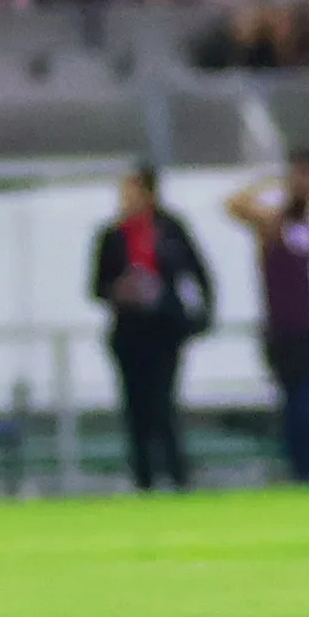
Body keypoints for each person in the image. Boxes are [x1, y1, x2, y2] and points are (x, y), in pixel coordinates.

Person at [226, 150, 309, 483]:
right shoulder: (274, 223)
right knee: (301, 409)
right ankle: (304, 473)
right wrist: (270, 181)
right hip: (288, 333)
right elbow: (234, 204)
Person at [92, 165, 214, 490]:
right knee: (136, 408)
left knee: (163, 403)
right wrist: (120, 290)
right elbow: (97, 286)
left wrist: (202, 316)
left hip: (164, 329)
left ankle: (176, 474)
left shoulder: (170, 229)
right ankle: (143, 478)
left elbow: (198, 271)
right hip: (130, 332)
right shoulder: (113, 235)